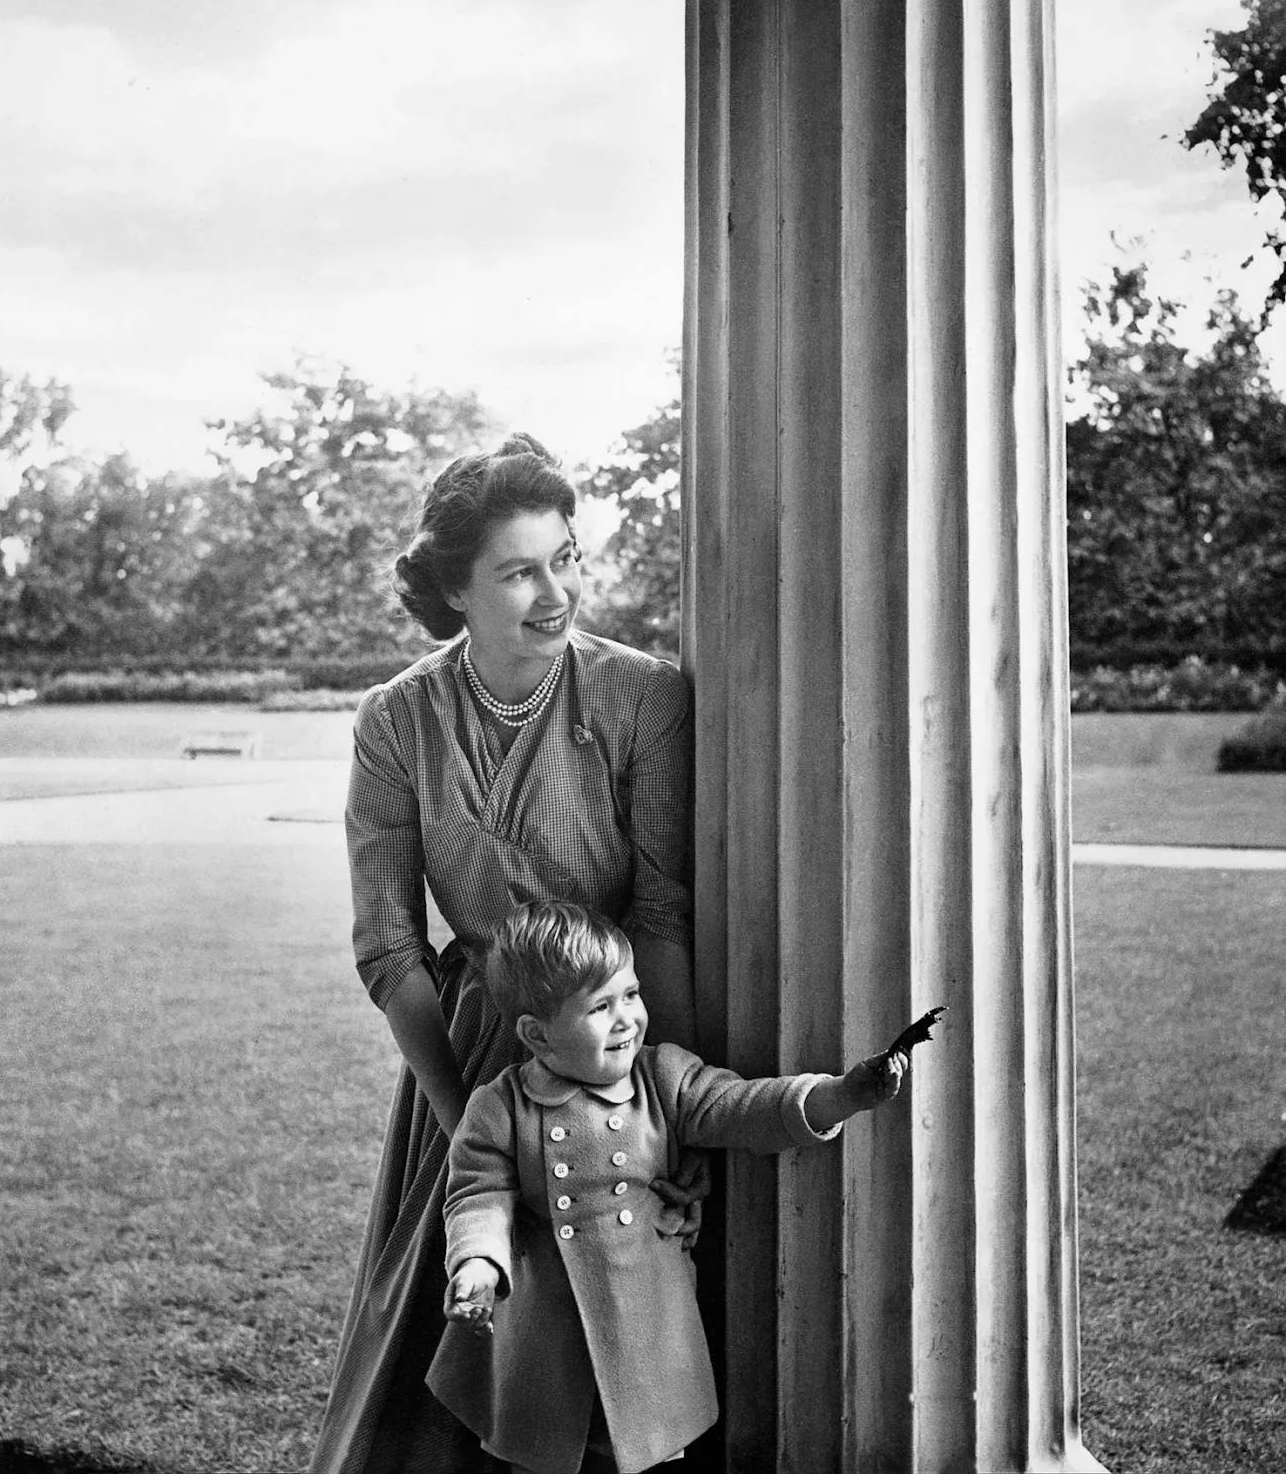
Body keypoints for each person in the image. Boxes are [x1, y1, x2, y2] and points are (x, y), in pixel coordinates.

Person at [308, 434, 698, 1474]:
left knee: (621, 1361)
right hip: (467, 1063)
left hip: (612, 1055)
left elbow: (659, 912)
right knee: (462, 1351)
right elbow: (390, 947)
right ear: (455, 590)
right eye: (519, 570)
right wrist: (469, 1130)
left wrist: (655, 1103)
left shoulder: (641, 697)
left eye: (563, 558)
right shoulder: (395, 720)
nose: (554, 591)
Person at [428, 901, 907, 1474]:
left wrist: (839, 1096)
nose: (627, 1018)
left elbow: (743, 1107)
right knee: (543, 1456)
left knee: (650, 1454)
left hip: (647, 1331)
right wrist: (478, 1265)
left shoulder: (663, 1077)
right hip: (545, 1336)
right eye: (600, 1007)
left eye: (631, 994)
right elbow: (478, 1196)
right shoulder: (500, 1107)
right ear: (538, 1035)